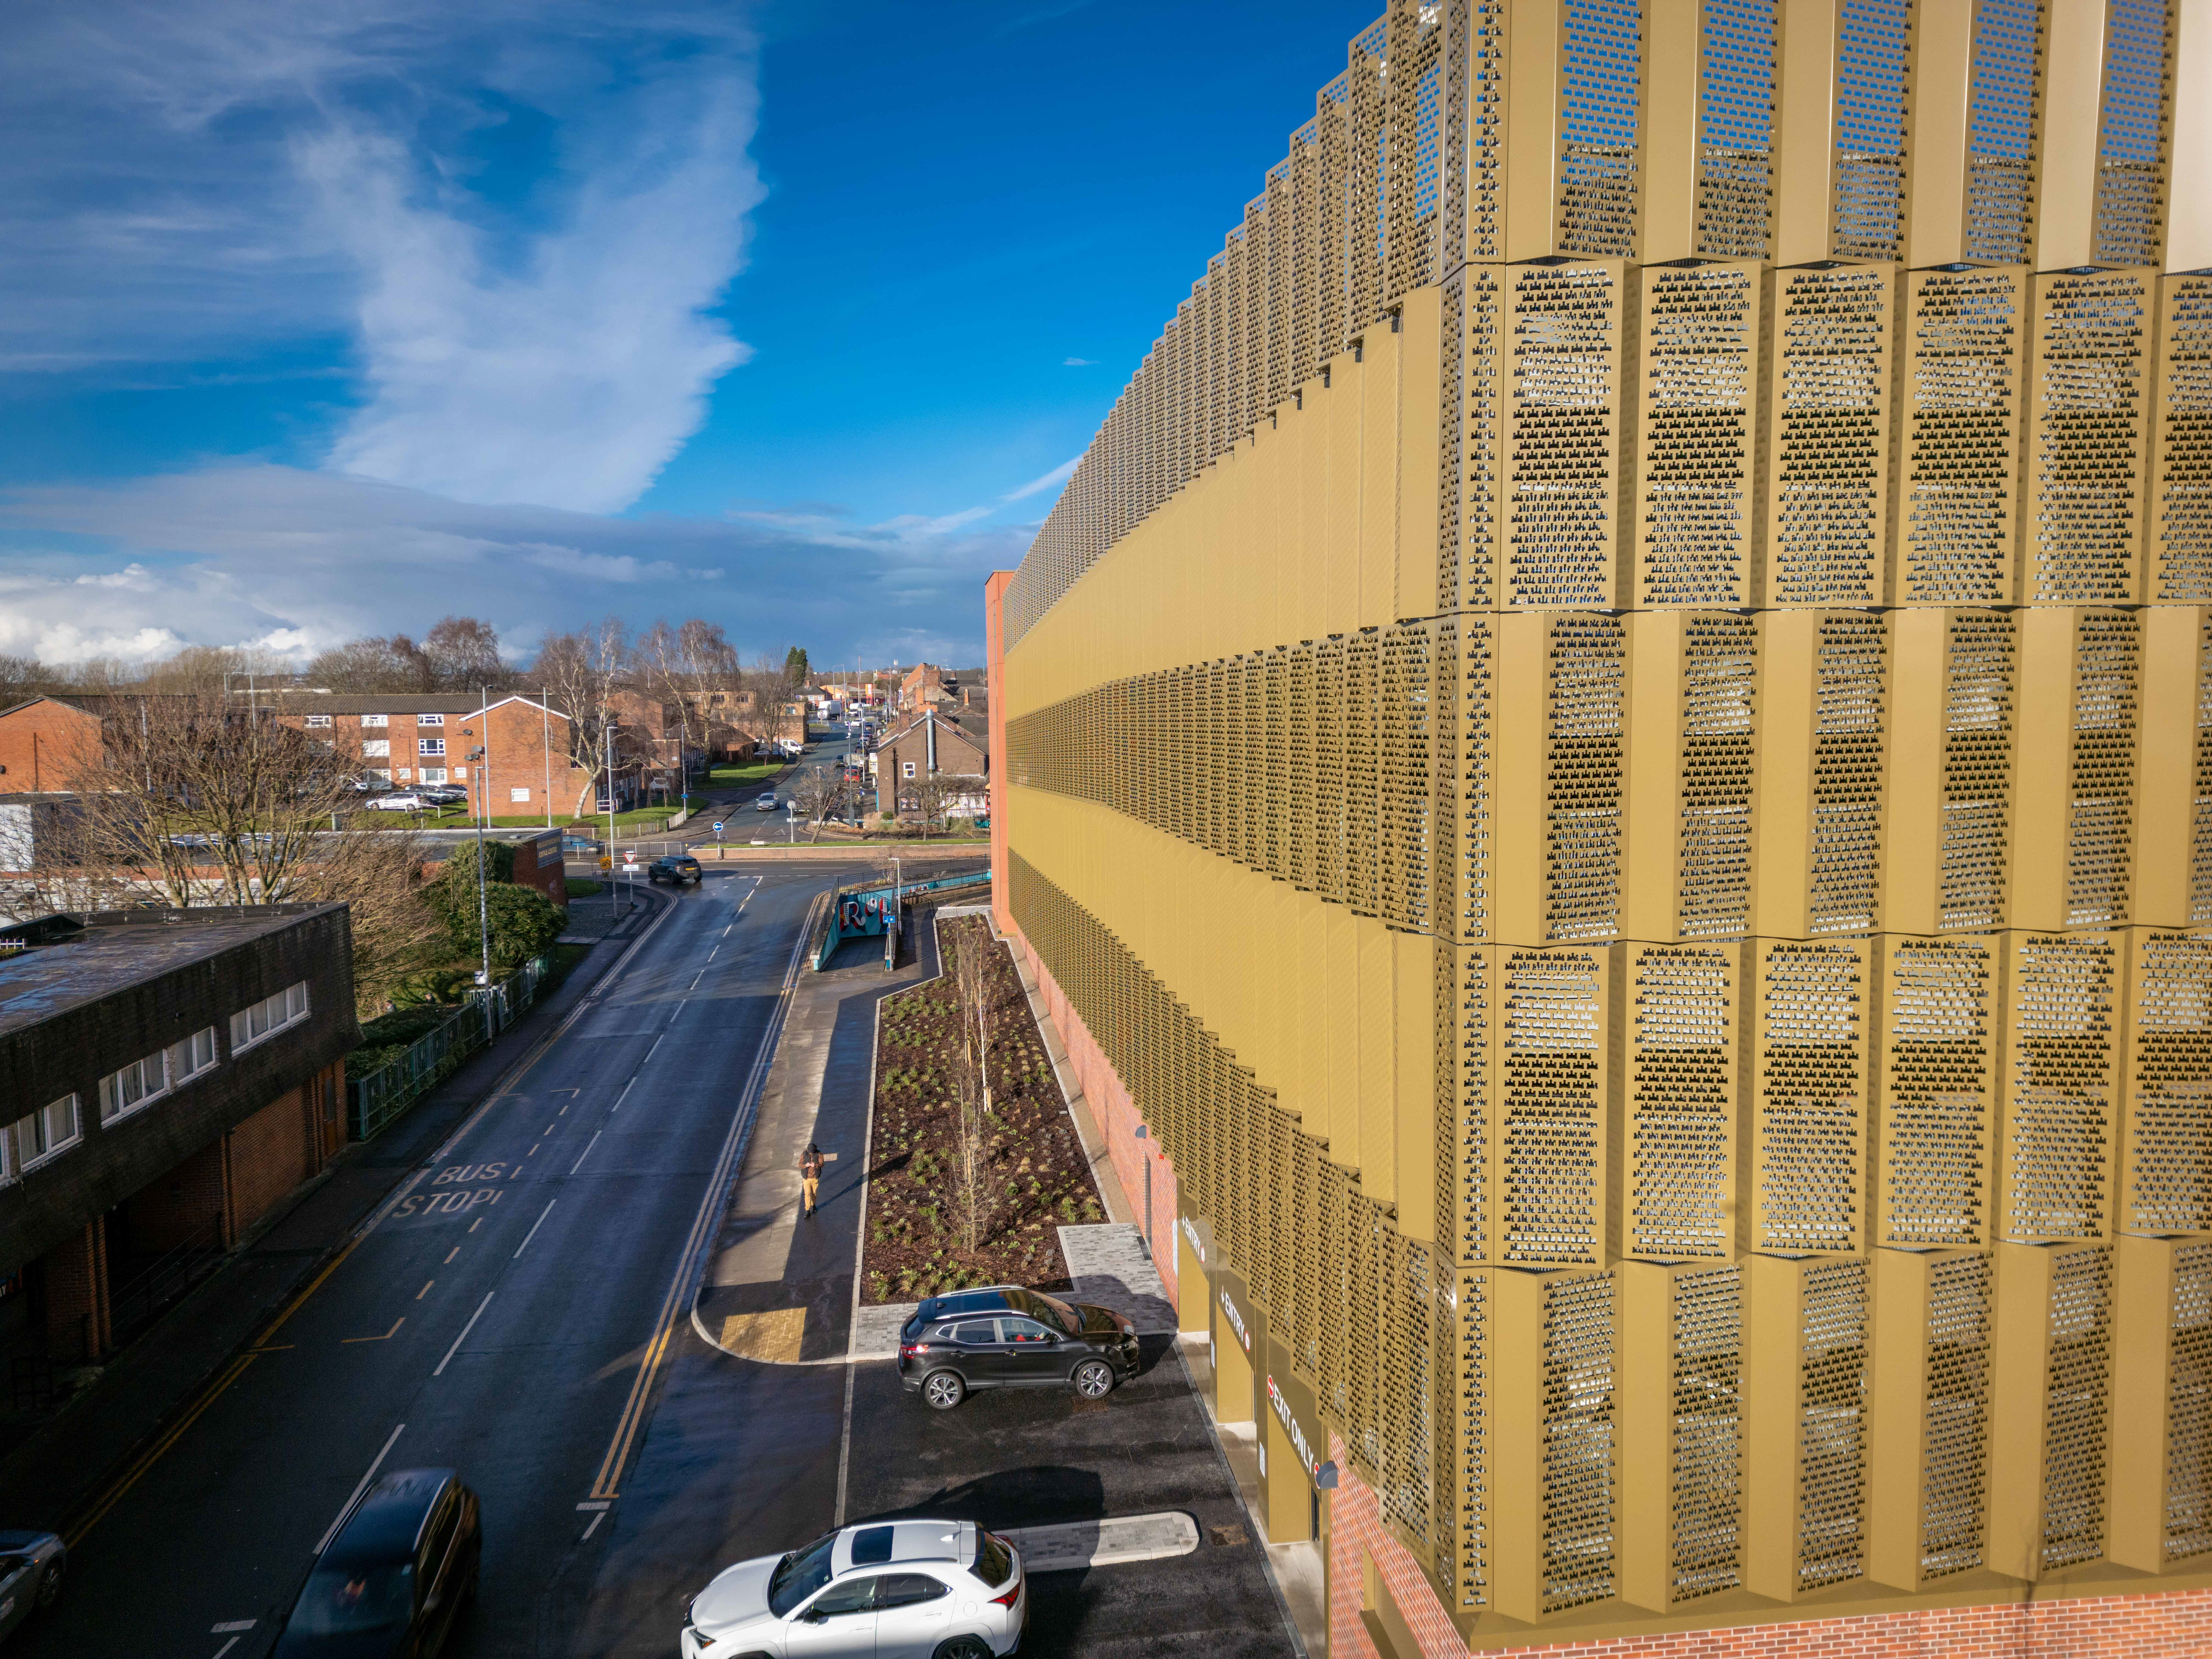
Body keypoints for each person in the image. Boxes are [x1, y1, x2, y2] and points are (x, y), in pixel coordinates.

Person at [799, 1142, 837, 1218]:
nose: (810, 1153)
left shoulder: (819, 1154)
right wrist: (805, 1166)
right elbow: (800, 1165)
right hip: (806, 1178)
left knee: (814, 1193)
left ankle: (813, 1206)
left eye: (812, 1152)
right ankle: (807, 1211)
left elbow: (822, 1164)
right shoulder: (804, 1154)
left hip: (815, 1178)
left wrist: (816, 1165)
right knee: (807, 1194)